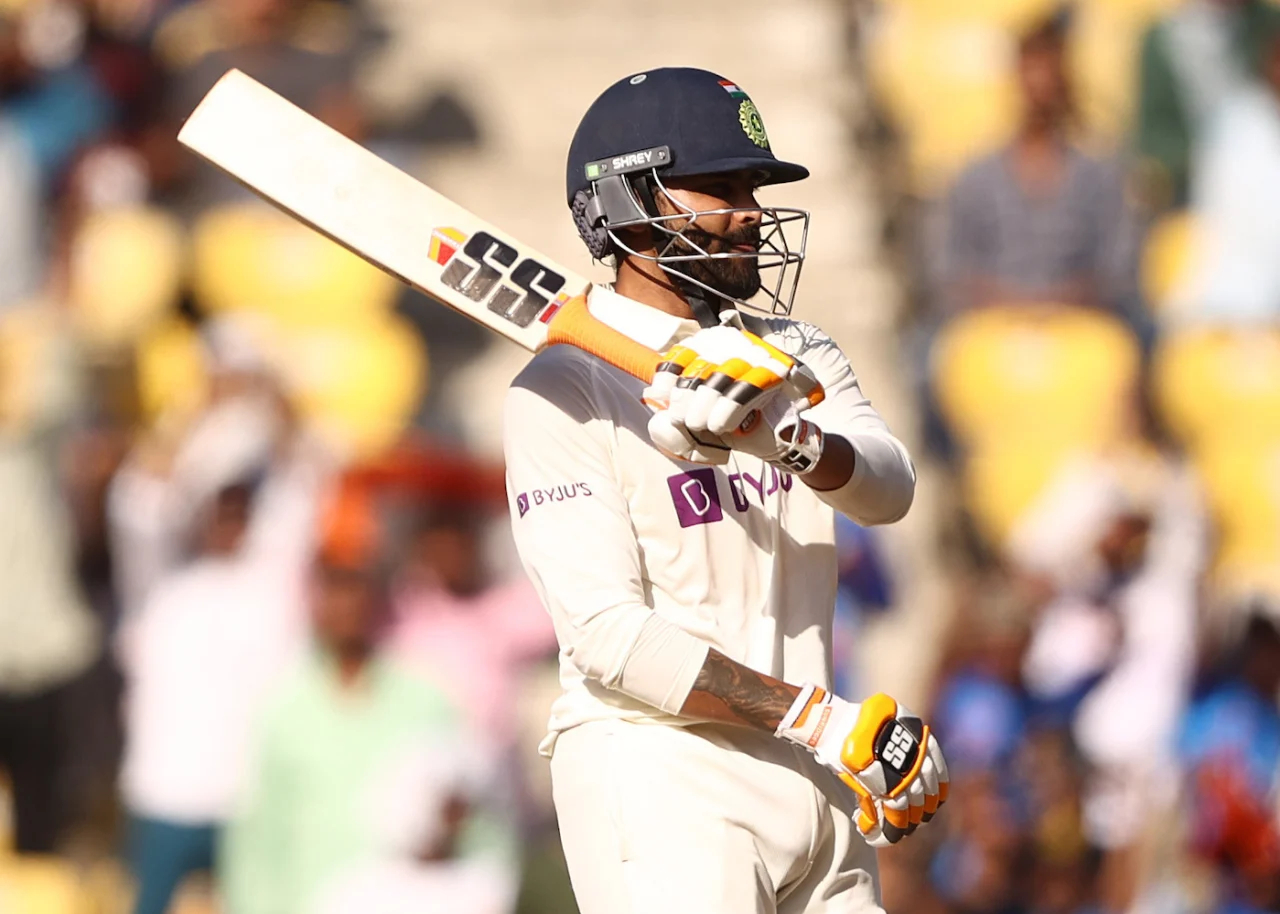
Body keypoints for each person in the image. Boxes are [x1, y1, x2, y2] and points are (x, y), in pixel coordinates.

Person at [503, 67, 949, 914]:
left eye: (753, 185)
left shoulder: (795, 351)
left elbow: (890, 488)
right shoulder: (560, 391)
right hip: (665, 775)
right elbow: (609, 639)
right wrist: (823, 720)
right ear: (630, 201)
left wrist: (791, 438)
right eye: (722, 187)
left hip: (817, 780)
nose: (750, 210)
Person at [221, 482, 511, 914]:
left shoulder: (426, 698)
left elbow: (481, 823)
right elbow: (257, 844)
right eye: (334, 586)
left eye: (357, 585)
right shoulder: (283, 708)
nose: (347, 603)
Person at [117, 476, 300, 914]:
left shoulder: (275, 600)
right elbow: (133, 514)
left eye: (238, 518)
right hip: (165, 792)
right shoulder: (167, 595)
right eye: (219, 517)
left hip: (244, 799)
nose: (227, 529)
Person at [935, 11, 1141, 321]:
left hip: (1081, 330)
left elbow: (1117, 271)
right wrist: (1011, 304)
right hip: (990, 329)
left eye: (1048, 71)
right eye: (1031, 70)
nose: (1039, 86)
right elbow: (951, 271)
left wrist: (1056, 303)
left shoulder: (1099, 177)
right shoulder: (976, 179)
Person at [1135, 0, 1280, 209]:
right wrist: (1214, 161)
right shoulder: (1162, 41)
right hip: (1193, 192)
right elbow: (1153, 138)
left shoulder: (1269, 24)